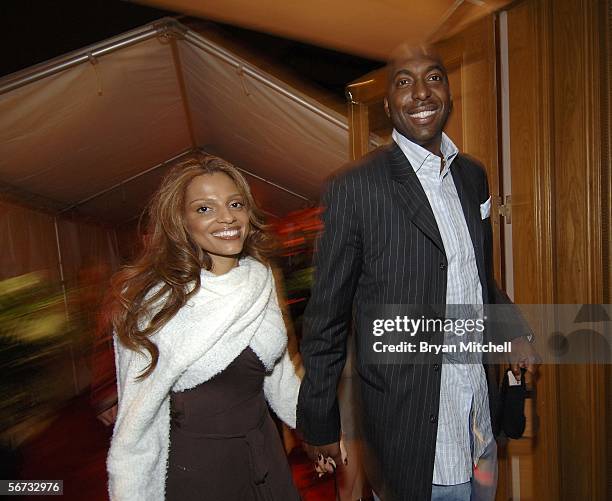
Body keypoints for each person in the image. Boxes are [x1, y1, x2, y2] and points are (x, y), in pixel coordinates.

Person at [297, 45, 538, 500]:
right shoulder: (355, 186)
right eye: (404, 82)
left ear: (449, 93)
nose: (421, 92)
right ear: (388, 105)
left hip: (478, 413)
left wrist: (514, 329)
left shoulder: (472, 176)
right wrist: (318, 419)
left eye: (434, 78)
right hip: (410, 427)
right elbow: (326, 315)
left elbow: (477, 274)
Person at [106, 155, 301, 501]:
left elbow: (279, 375)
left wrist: (321, 429)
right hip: (201, 470)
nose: (227, 217)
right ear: (180, 220)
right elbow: (136, 426)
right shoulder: (154, 304)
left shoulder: (260, 279)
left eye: (235, 204)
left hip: (267, 453)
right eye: (204, 209)